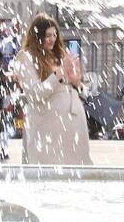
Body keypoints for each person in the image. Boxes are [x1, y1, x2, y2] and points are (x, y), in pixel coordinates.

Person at [10, 12, 91, 165]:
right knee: (47, 172)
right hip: (47, 127)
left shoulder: (60, 55)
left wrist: (77, 82)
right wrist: (60, 72)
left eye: (54, 35)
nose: (52, 39)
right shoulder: (25, 57)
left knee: (77, 174)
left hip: (73, 124)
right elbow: (35, 94)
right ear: (37, 35)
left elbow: (81, 92)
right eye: (48, 35)